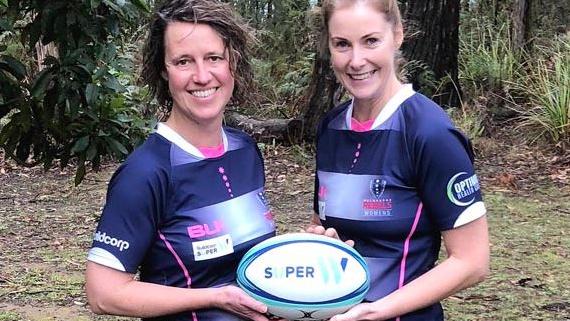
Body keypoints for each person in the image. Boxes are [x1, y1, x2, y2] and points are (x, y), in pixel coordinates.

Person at [84, 1, 276, 320]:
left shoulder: (246, 151)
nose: (202, 76)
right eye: (184, 61)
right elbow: (104, 293)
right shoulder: (145, 173)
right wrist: (215, 298)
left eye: (214, 58)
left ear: (233, 63)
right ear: (164, 70)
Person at [306, 1, 490, 321]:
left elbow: (472, 262)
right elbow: (320, 226)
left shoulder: (430, 133)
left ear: (398, 35)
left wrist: (377, 311)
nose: (356, 60)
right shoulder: (331, 127)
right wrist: (323, 244)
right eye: (342, 44)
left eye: (371, 41)